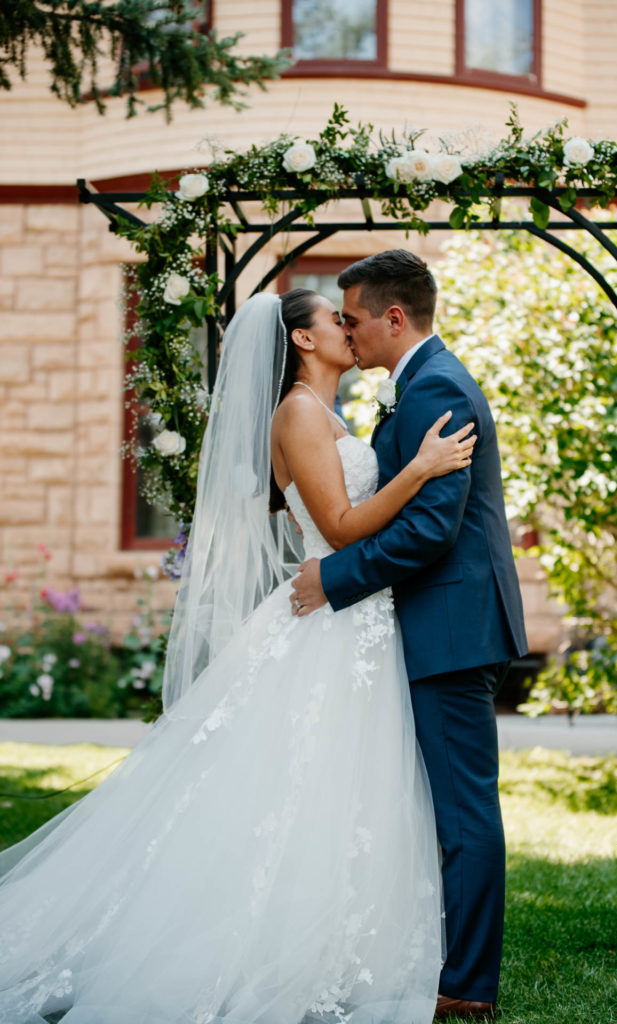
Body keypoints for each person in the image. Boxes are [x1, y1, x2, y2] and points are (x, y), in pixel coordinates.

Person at [0, 288, 476, 1024]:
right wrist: (420, 470)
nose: (348, 329)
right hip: (332, 623)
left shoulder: (330, 416)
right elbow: (344, 529)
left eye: (352, 319)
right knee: (298, 790)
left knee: (344, 789)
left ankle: (341, 945)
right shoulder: (297, 414)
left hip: (357, 623)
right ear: (305, 341)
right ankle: (263, 948)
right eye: (335, 320)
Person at [292, 251, 529, 1022]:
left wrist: (334, 580)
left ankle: (465, 988)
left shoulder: (435, 386)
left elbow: (431, 530)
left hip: (452, 627)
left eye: (354, 318)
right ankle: (442, 963)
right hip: (434, 624)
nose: (349, 333)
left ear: (395, 318)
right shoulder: (419, 385)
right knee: (442, 811)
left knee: (462, 814)